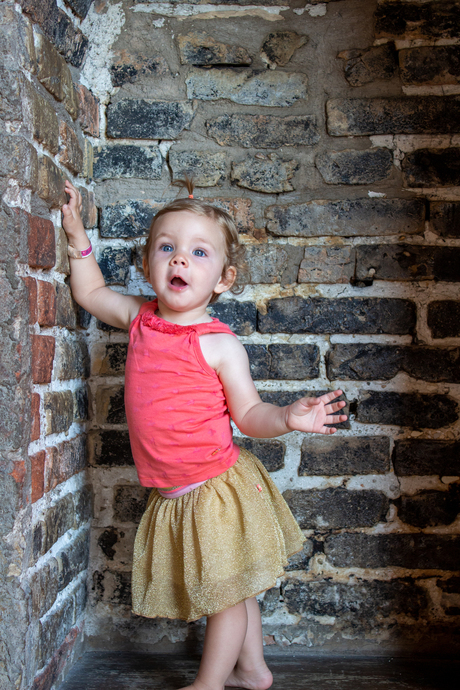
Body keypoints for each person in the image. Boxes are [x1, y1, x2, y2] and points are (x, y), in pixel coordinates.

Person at [62, 178, 347, 690]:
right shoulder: (139, 319)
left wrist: (285, 418)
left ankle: (208, 684)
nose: (179, 261)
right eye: (167, 248)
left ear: (222, 277)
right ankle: (254, 671)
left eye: (198, 252)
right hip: (178, 489)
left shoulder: (219, 346)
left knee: (224, 597)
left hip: (213, 488)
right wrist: (77, 234)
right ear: (149, 262)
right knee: (236, 590)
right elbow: (89, 291)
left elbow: (249, 413)